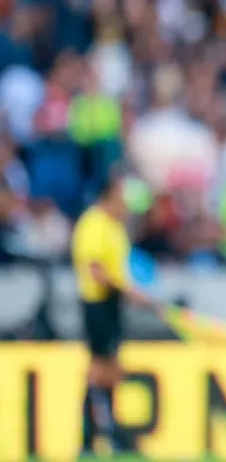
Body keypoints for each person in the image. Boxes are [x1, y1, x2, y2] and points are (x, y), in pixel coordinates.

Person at [72, 168, 156, 454]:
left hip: (112, 304)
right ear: (109, 196)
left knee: (110, 367)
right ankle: (95, 433)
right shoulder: (93, 224)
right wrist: (130, 291)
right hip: (97, 304)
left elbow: (120, 267)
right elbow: (96, 271)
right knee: (100, 369)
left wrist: (131, 290)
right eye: (121, 197)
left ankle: (103, 432)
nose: (126, 205)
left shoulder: (115, 226)